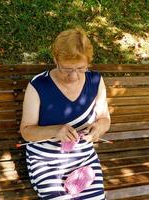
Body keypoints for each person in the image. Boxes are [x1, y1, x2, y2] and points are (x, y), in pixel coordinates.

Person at [20, 27, 111, 200]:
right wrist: (55, 131)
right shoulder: (39, 85)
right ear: (56, 60)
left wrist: (98, 128)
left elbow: (105, 119)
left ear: (88, 62)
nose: (73, 76)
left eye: (81, 68)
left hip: (82, 155)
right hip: (46, 157)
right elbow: (26, 131)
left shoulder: (96, 81)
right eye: (66, 69)